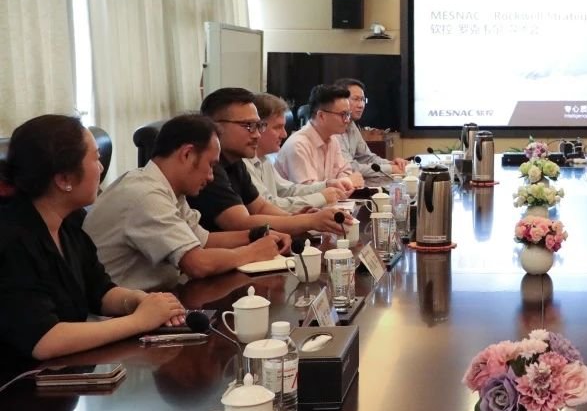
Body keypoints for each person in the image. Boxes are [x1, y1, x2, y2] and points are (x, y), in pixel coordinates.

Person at [0, 115, 186, 364]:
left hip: (63, 372)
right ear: (64, 179)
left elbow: (100, 291)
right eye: (96, 158)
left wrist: (139, 300)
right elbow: (44, 340)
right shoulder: (12, 240)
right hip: (18, 380)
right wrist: (139, 321)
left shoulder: (70, 221)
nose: (101, 169)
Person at [84, 115, 288, 291]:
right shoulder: (144, 195)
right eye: (210, 165)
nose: (211, 176)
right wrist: (253, 252)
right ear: (187, 154)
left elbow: (203, 240)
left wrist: (257, 235)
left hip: (155, 300)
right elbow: (197, 264)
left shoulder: (166, 188)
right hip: (118, 314)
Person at [188, 88, 350, 235]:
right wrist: (308, 221)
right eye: (248, 125)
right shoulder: (210, 167)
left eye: (258, 126)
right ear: (216, 126)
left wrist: (296, 218)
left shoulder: (236, 162)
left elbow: (260, 207)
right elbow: (240, 222)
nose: (257, 134)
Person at [246, 93, 348, 212]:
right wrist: (321, 197)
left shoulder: (264, 159)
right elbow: (268, 206)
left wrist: (326, 185)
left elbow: (287, 190)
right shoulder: (243, 164)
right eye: (277, 127)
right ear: (257, 127)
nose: (284, 134)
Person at [276, 84, 366, 186]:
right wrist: (346, 182)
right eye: (343, 115)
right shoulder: (298, 145)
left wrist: (343, 182)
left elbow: (345, 170)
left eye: (348, 114)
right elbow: (308, 190)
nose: (347, 120)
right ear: (321, 116)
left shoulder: (332, 139)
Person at [336, 79, 409, 182]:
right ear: (340, 100)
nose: (361, 105)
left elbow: (367, 157)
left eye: (363, 100)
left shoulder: (351, 125)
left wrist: (391, 163)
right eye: (356, 99)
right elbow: (350, 168)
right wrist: (390, 169)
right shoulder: (334, 129)